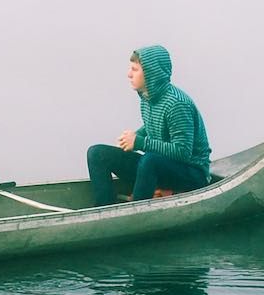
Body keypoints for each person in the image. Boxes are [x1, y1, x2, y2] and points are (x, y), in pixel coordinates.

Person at [86, 45, 212, 206]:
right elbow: (153, 126)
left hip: (191, 173)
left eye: (134, 69)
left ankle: (135, 211)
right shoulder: (147, 98)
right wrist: (134, 138)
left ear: (151, 73)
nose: (128, 74)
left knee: (150, 160)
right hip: (161, 166)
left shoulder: (177, 104)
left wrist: (139, 142)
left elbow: (183, 152)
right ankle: (104, 209)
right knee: (97, 153)